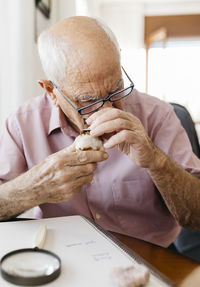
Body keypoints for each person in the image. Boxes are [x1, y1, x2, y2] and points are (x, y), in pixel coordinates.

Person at [0, 16, 200, 247]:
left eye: (116, 89)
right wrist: (33, 189)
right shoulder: (22, 124)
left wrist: (156, 161)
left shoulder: (158, 116)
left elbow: (195, 217)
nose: (107, 110)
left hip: (150, 258)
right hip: (63, 255)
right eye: (88, 100)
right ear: (51, 91)